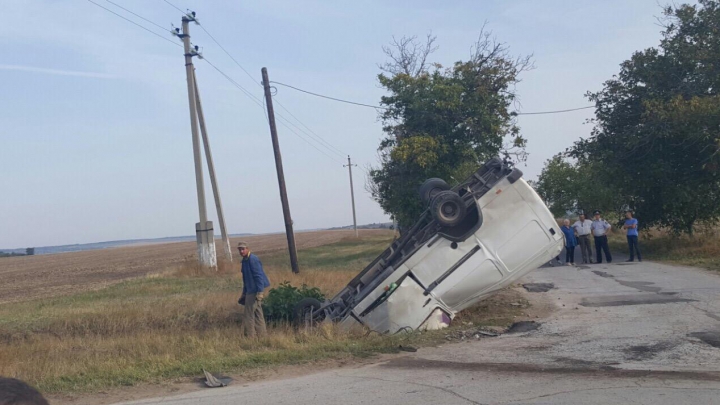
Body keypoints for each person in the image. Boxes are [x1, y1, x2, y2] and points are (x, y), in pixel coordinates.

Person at [238, 242, 270, 338]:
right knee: (258, 314)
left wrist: (260, 292)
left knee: (249, 315)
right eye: (239, 249)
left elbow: (259, 276)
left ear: (248, 249)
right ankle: (263, 336)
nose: (241, 251)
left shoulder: (253, 259)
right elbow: (245, 279)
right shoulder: (244, 261)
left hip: (255, 291)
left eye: (243, 249)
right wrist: (244, 293)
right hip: (250, 291)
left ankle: (250, 337)